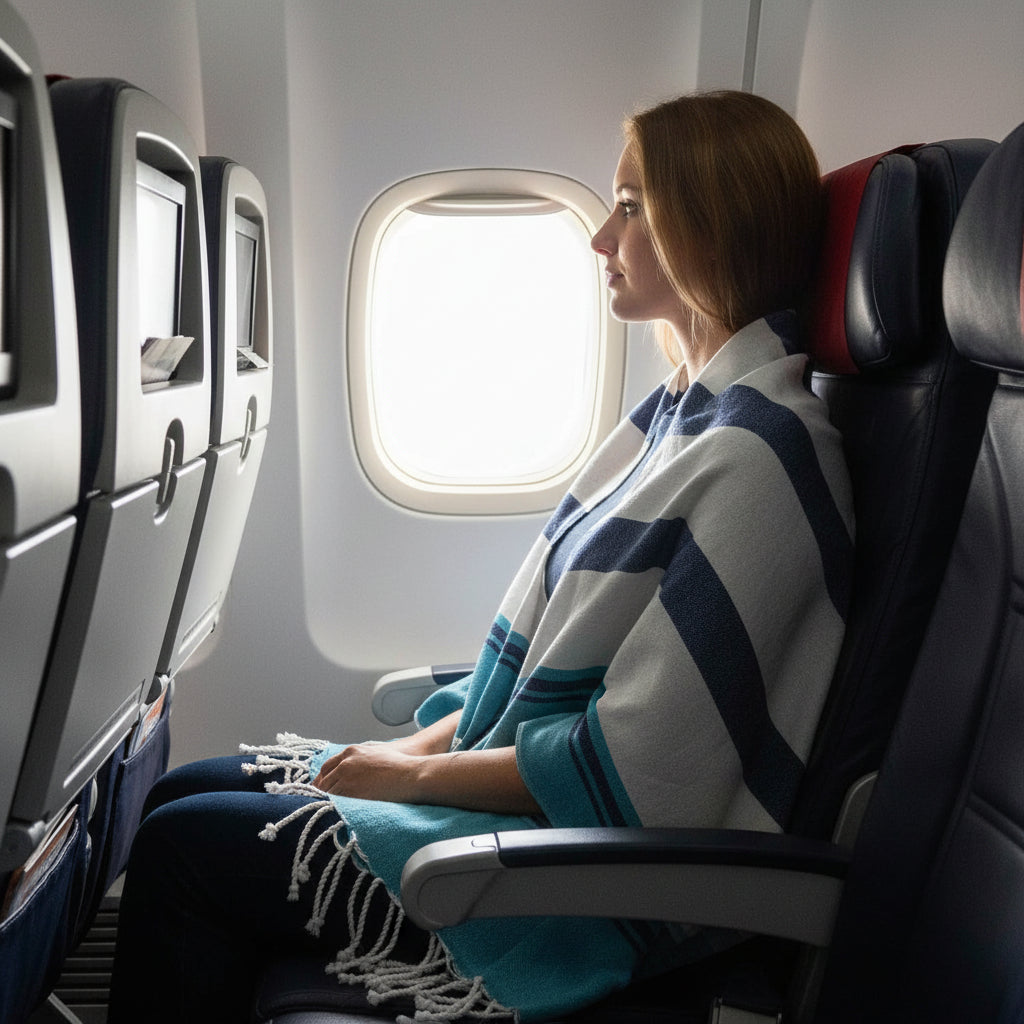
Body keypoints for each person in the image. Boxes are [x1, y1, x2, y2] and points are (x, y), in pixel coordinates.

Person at [108, 89, 854, 1023]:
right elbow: (552, 679)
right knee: (180, 793)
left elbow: (632, 770)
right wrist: (405, 748)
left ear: (710, 223)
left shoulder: (762, 462)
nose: (600, 240)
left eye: (630, 208)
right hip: (530, 804)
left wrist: (410, 777)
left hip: (599, 881)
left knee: (185, 858)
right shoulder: (679, 417)